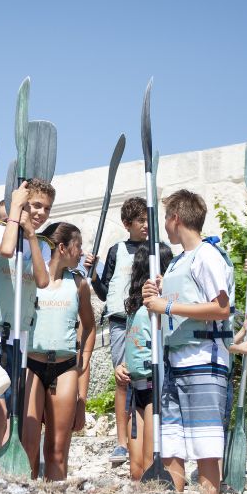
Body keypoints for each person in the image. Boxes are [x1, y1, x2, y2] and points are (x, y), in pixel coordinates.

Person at [142, 189, 234, 494]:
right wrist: (153, 298)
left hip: (203, 362)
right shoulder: (177, 263)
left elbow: (221, 308)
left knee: (206, 448)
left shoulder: (207, 257)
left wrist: (166, 306)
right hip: (175, 364)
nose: (164, 226)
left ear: (175, 218)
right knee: (171, 446)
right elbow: (170, 308)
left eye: (165, 218)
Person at [22, 222, 95, 480]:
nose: (82, 252)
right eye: (79, 246)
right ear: (63, 248)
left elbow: (89, 326)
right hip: (32, 365)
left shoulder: (78, 283)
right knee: (28, 445)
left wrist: (83, 361)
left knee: (57, 450)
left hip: (64, 368)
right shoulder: (29, 278)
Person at [0, 180, 52, 457]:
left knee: (12, 407)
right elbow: (4, 250)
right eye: (36, 205)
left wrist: (31, 237)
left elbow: (42, 280)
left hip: (19, 339)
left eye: (46, 209)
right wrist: (15, 218)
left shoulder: (40, 244)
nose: (40, 213)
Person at [84, 197, 148, 465]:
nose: (146, 225)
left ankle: (145, 437)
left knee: (147, 380)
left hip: (145, 321)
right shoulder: (116, 251)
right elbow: (104, 292)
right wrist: (94, 276)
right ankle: (121, 442)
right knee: (123, 379)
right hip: (121, 322)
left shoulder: (158, 249)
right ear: (127, 224)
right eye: (141, 221)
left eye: (148, 220)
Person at [115, 241, 172, 480]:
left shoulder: (165, 306)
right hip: (135, 390)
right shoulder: (135, 308)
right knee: (136, 469)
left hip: (154, 389)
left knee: (150, 463)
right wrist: (121, 366)